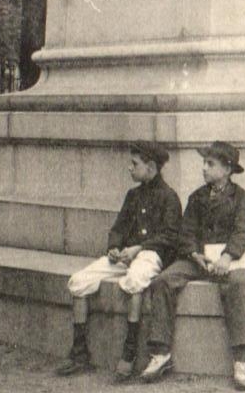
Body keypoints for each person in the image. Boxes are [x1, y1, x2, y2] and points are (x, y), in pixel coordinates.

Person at [141, 141, 245, 390]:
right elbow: (186, 232)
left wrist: (228, 257)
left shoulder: (241, 198)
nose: (204, 169)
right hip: (200, 260)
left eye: (211, 164)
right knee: (163, 281)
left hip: (230, 260)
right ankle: (160, 352)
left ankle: (241, 359)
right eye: (204, 163)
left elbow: (244, 230)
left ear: (227, 169)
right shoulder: (196, 197)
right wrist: (194, 254)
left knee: (238, 284)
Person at [56, 143, 182, 379]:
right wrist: (114, 248)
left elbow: (170, 237)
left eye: (135, 164)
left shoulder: (169, 197)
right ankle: (79, 351)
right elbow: (118, 228)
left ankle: (130, 351)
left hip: (152, 255)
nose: (129, 168)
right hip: (126, 256)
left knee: (135, 280)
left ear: (151, 166)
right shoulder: (132, 196)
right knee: (79, 281)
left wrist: (140, 248)